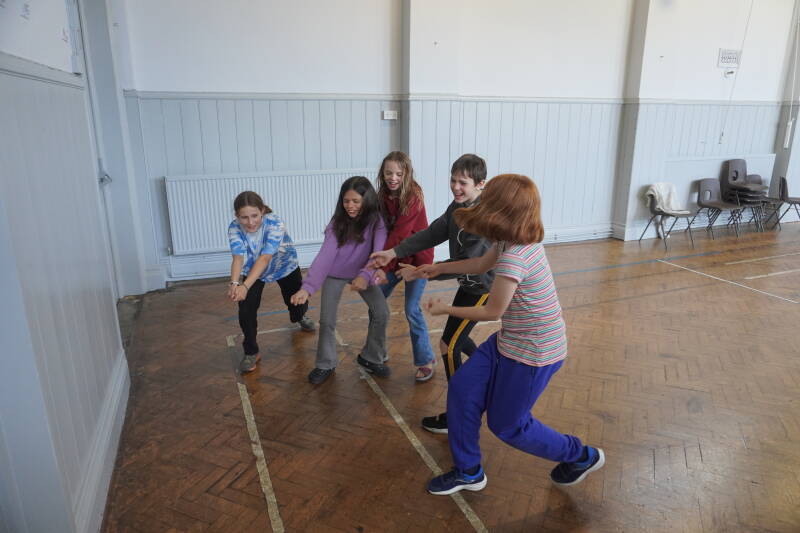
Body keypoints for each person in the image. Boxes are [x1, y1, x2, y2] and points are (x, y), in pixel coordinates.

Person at [413, 174, 604, 495]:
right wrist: (441, 268)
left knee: (508, 426)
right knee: (462, 388)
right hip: (508, 343)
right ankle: (469, 471)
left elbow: (492, 312)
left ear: (504, 211)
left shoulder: (518, 255)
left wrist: (447, 310)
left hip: (535, 354)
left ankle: (581, 456)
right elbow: (479, 264)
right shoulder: (506, 241)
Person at [370, 154, 494, 432]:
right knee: (456, 341)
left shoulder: (483, 219)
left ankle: (458, 416)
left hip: (482, 288)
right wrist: (393, 252)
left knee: (448, 346)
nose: (456, 187)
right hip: (469, 285)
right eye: (453, 180)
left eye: (463, 183)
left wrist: (424, 271)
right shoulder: (457, 207)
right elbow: (432, 233)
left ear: (481, 184)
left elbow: (471, 265)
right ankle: (488, 373)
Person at [290, 176, 390, 385]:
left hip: (363, 272)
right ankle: (325, 363)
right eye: (346, 201)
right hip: (335, 273)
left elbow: (378, 253)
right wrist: (307, 288)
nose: (350, 206)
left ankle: (371, 357)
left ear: (367, 200)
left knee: (381, 312)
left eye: (356, 201)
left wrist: (364, 276)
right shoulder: (337, 223)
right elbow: (325, 256)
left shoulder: (376, 222)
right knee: (327, 320)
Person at [227, 191, 315, 374]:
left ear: (262, 211)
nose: (250, 222)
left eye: (254, 216)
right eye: (244, 217)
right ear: (237, 216)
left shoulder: (274, 223)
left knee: (297, 301)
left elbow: (265, 258)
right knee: (246, 309)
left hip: (284, 265)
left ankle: (299, 316)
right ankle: (251, 351)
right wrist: (235, 283)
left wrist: (244, 286)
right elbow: (237, 258)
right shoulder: (234, 228)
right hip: (253, 271)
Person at [374, 151, 437, 381]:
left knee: (412, 309)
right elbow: (381, 230)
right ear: (382, 172)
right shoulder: (382, 196)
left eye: (398, 174)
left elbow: (400, 236)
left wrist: (382, 265)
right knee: (376, 300)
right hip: (394, 257)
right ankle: (377, 351)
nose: (393, 178)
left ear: (406, 174)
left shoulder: (413, 197)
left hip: (417, 260)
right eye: (388, 173)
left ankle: (425, 360)